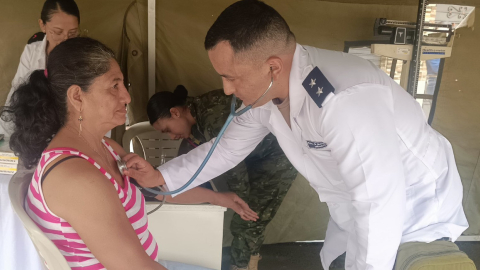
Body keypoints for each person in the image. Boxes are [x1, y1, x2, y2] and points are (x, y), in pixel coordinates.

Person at [123, 1, 468, 269]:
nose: (226, 89)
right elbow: (225, 149)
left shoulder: (344, 101)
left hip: (414, 209)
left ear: (272, 66)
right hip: (355, 207)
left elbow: (379, 201)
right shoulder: (267, 93)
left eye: (231, 76)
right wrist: (161, 177)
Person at [1, 37, 257, 270]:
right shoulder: (76, 177)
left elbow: (156, 189)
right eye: (114, 86)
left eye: (124, 84)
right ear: (77, 96)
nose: (126, 96)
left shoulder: (106, 148)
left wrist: (216, 198)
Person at [147, 86, 298, 270]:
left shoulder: (211, 116)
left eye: (167, 130)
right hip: (254, 156)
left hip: (276, 156)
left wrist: (240, 202)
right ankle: (249, 260)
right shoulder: (195, 122)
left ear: (175, 112)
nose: (171, 137)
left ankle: (241, 266)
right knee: (249, 215)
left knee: (247, 217)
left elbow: (233, 166)